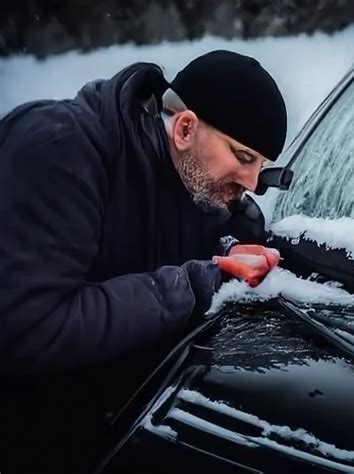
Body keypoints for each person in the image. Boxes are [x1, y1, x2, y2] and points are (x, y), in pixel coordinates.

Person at [0, 50, 287, 472]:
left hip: (121, 435)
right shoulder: (60, 150)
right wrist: (190, 285)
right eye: (243, 158)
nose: (251, 183)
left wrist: (234, 253)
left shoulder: (199, 186)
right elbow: (28, 328)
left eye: (261, 168)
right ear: (185, 128)